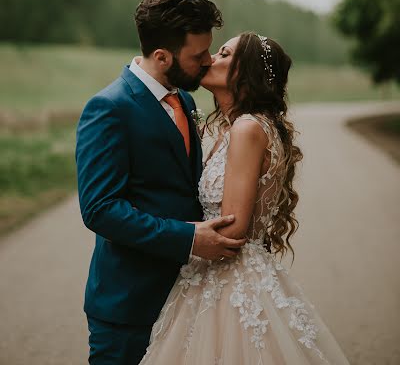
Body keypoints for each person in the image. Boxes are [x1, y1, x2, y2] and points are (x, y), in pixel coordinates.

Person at [139, 32, 351, 364]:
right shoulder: (241, 127)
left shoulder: (246, 129)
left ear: (245, 71)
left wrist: (163, 231)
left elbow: (233, 230)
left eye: (223, 54)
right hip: (222, 274)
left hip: (228, 284)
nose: (210, 59)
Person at [76, 0, 246, 365]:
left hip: (188, 298)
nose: (207, 62)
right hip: (128, 305)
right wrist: (188, 237)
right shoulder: (109, 108)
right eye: (197, 55)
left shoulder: (184, 100)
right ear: (162, 56)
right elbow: (100, 209)